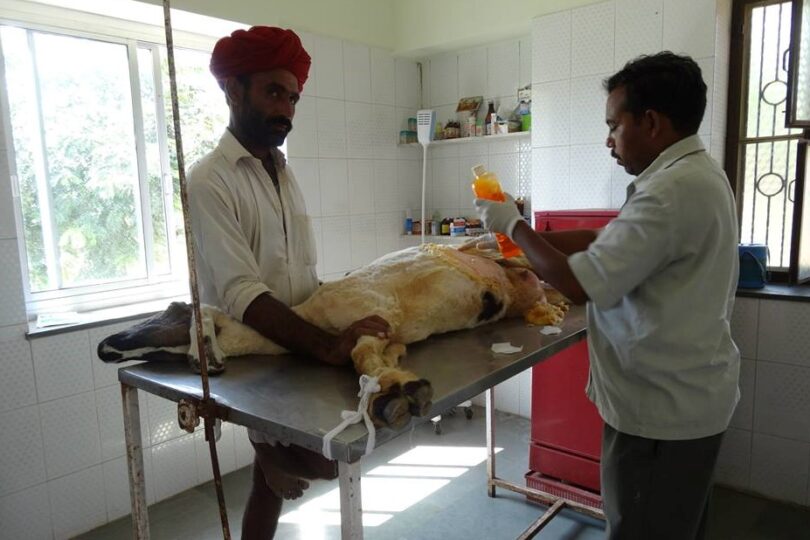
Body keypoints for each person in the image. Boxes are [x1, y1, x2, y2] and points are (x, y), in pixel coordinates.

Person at [474, 52, 740, 540]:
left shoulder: (671, 191)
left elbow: (578, 283)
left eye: (614, 125)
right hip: (685, 398)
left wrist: (512, 224)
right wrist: (522, 242)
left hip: (660, 414)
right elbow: (608, 241)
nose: (609, 140)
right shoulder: (693, 175)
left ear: (652, 122)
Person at [186, 26, 390, 539]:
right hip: (255, 355)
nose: (287, 109)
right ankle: (268, 456)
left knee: (273, 482)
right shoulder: (209, 179)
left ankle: (269, 464)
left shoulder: (282, 168)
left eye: (293, 96)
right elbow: (241, 293)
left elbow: (301, 272)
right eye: (273, 92)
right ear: (233, 90)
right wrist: (326, 346)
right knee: (324, 462)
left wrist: (337, 317)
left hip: (297, 344)